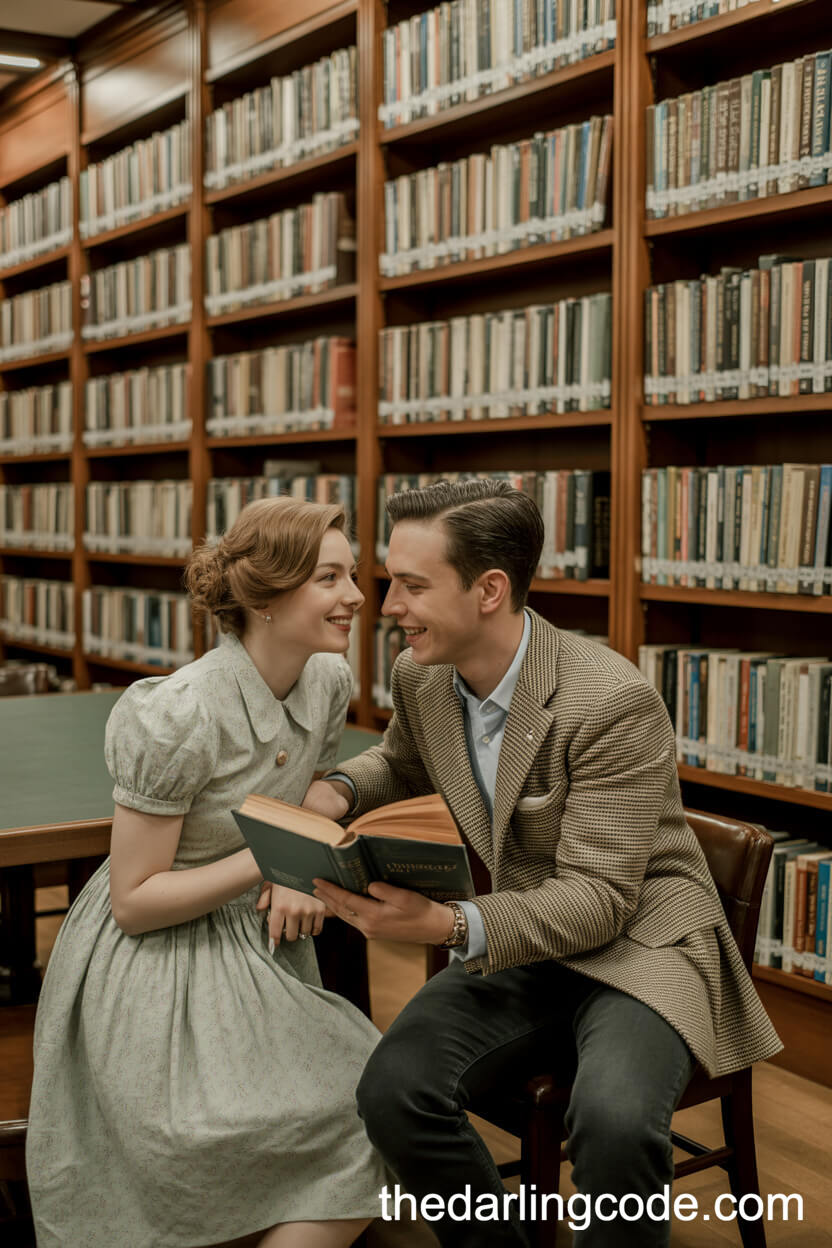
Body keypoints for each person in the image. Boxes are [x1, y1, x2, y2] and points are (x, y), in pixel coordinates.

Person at [304, 478, 783, 1248]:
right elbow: (399, 763)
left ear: (489, 589)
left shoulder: (609, 700)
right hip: (528, 934)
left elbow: (599, 902)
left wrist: (444, 922)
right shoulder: (423, 676)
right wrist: (332, 791)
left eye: (413, 585)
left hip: (640, 944)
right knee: (393, 1089)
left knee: (617, 1122)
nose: (386, 605)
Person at [26, 496, 388, 1248]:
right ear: (265, 595)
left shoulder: (323, 681)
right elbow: (134, 901)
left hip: (263, 947)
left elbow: (310, 788)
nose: (356, 595)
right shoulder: (177, 713)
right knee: (213, 1133)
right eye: (329, 577)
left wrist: (302, 845)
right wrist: (276, 854)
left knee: (384, 1103)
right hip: (161, 961)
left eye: (351, 574)